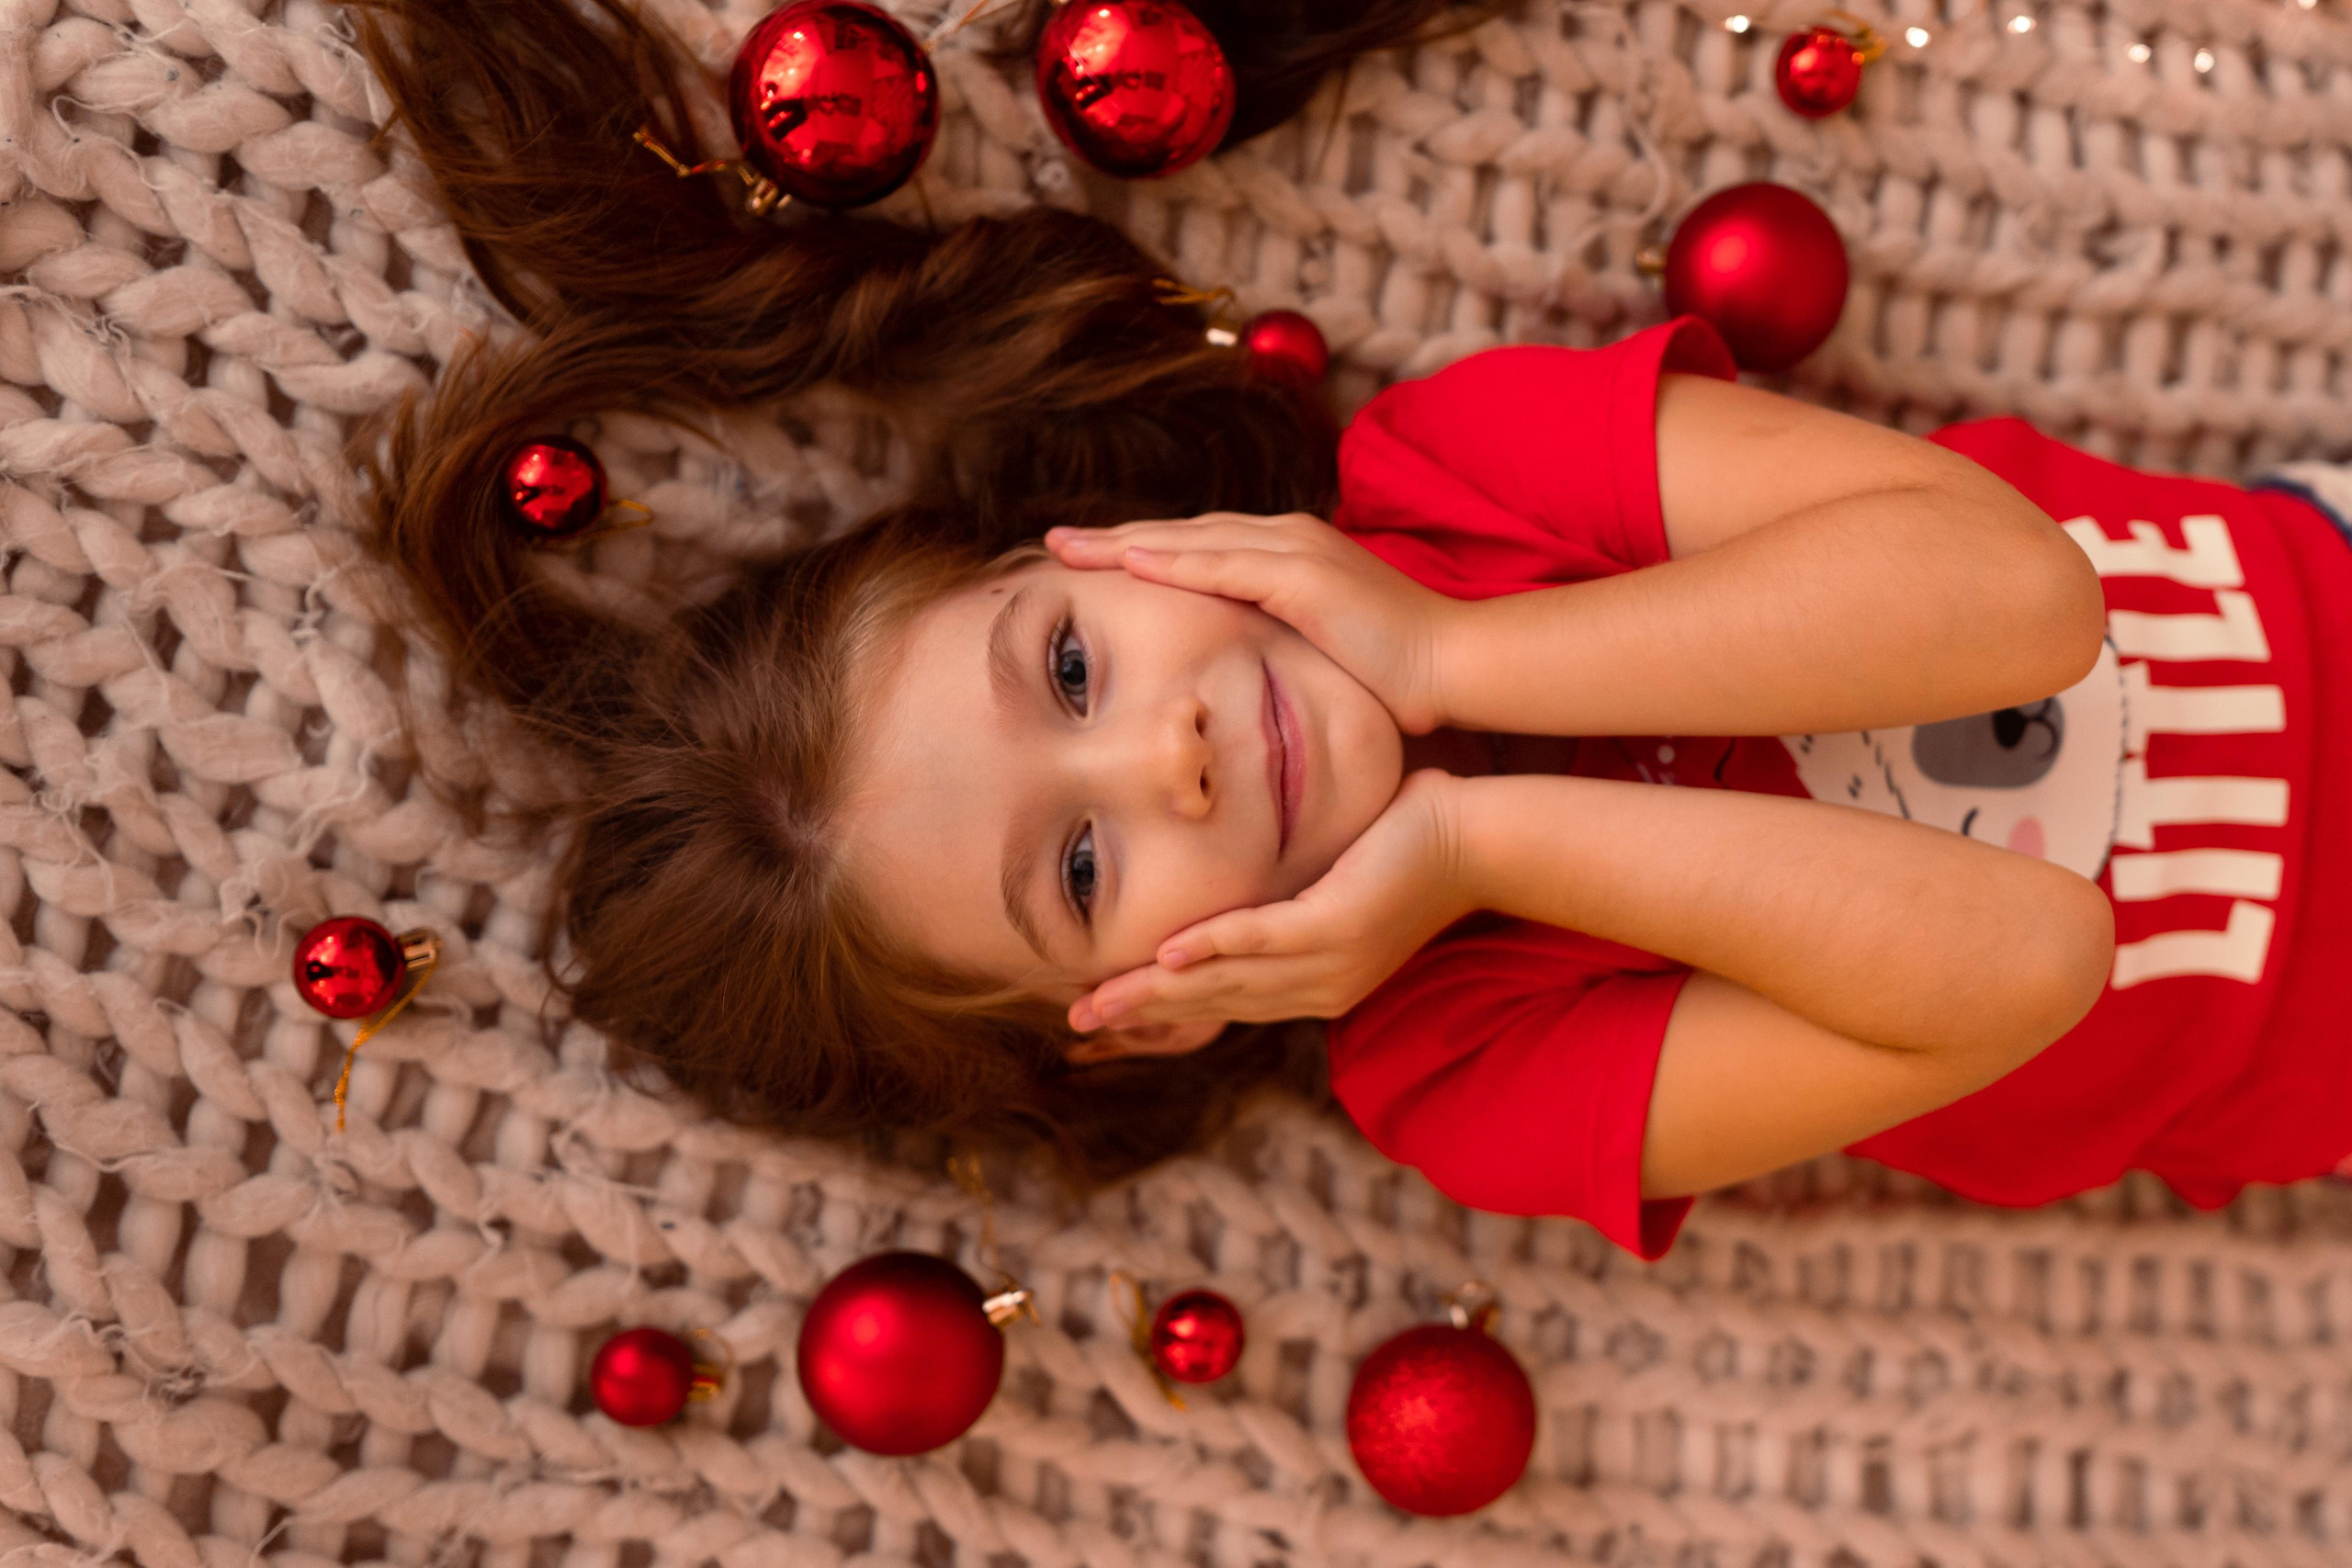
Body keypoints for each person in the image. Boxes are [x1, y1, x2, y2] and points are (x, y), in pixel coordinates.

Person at [352, 0, 2352, 1255]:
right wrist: (1483, 834)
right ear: (1132, 1008)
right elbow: (2035, 953)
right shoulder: (1469, 1074)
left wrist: (1459, 657)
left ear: (1093, 546)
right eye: (1078, 860)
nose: (1166, 750)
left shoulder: (1455, 469)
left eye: (1065, 665)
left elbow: (2017, 600)